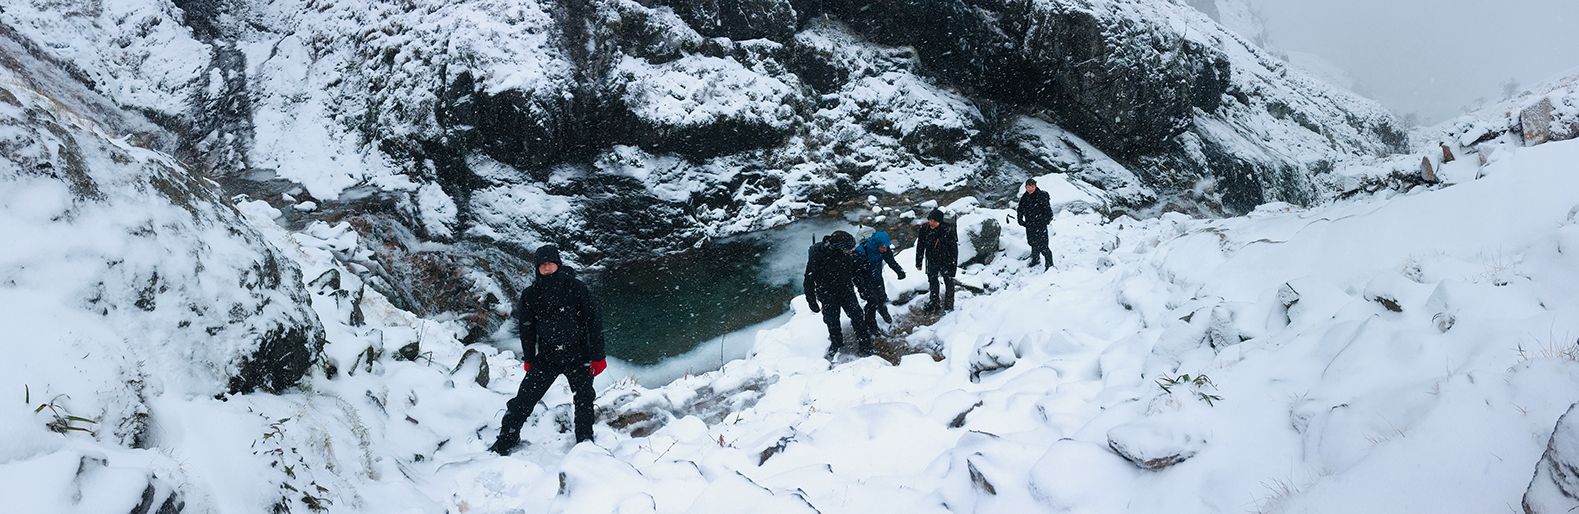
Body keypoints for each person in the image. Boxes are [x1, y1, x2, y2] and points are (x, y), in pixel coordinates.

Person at [490, 245, 608, 455]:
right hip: (547, 356)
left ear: (557, 264)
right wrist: (528, 357)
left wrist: (598, 356)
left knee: (584, 400)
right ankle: (506, 440)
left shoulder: (576, 287)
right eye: (542, 265)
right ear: (538, 268)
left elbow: (594, 321)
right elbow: (527, 328)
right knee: (523, 400)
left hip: (578, 354)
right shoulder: (531, 295)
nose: (547, 268)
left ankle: (585, 443)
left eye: (550, 263)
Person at [804, 231, 873, 358]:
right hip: (827, 296)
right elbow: (809, 280)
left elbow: (856, 274)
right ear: (839, 248)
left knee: (858, 317)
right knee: (832, 321)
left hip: (846, 292)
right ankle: (836, 343)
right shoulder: (818, 256)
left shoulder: (848, 256)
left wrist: (862, 290)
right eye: (849, 248)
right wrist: (811, 301)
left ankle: (866, 344)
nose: (852, 250)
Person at [855, 230, 906, 330]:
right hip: (865, 281)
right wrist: (861, 289)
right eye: (883, 247)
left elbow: (890, 260)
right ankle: (871, 324)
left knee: (882, 297)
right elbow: (856, 275)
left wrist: (899, 271)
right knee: (872, 302)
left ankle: (882, 310)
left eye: (886, 247)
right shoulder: (860, 253)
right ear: (876, 245)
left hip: (877, 276)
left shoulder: (884, 249)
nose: (885, 249)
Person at [915, 210, 958, 312]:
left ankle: (949, 306)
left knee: (948, 281)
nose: (931, 223)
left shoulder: (948, 230)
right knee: (932, 281)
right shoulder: (924, 229)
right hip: (931, 259)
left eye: (934, 221)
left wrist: (952, 269)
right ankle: (934, 303)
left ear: (940, 221)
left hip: (946, 260)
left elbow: (954, 251)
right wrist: (918, 262)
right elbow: (920, 246)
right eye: (930, 220)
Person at [1016, 178, 1054, 270]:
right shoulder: (1025, 197)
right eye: (1028, 187)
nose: (1030, 189)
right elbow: (1020, 209)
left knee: (1043, 245)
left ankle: (1049, 264)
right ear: (1025, 187)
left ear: (1035, 186)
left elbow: (1048, 211)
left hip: (1040, 224)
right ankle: (1036, 259)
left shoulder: (1041, 196)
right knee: (1032, 242)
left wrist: (1046, 221)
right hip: (1030, 224)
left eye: (1032, 187)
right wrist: (1020, 220)